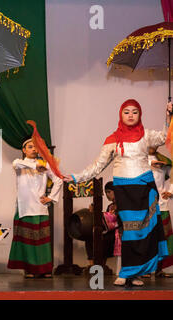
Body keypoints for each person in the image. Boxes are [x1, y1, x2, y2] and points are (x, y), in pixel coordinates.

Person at [64, 99, 171, 286]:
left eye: (135, 112)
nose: (131, 115)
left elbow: (165, 136)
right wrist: (76, 177)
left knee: (145, 231)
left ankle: (136, 273)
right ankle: (127, 271)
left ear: (140, 115)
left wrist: (169, 115)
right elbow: (97, 166)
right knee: (128, 231)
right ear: (121, 115)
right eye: (127, 112)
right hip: (124, 189)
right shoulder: (113, 139)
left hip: (145, 188)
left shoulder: (146, 135)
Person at [7, 138, 62, 278]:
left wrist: (51, 197)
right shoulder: (20, 164)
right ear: (24, 150)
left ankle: (44, 269)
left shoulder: (45, 165)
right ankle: (29, 269)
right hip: (24, 207)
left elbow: (58, 179)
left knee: (41, 240)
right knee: (26, 241)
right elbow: (16, 163)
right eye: (30, 147)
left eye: (35, 147)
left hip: (39, 207)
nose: (33, 149)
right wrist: (35, 167)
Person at [146, 146, 173, 277]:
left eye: (156, 143)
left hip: (162, 205)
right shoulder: (140, 160)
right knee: (147, 237)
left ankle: (160, 269)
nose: (153, 145)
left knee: (164, 237)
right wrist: (149, 164)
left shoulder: (163, 160)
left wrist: (171, 190)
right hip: (145, 205)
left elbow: (172, 171)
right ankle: (145, 269)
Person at [86, 181, 120, 271]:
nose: (107, 195)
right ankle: (92, 265)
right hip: (108, 231)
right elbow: (104, 221)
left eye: (109, 192)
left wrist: (98, 212)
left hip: (118, 231)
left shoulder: (122, 204)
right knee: (90, 236)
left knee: (102, 238)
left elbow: (113, 219)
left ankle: (101, 265)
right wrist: (95, 213)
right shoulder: (110, 206)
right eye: (106, 193)